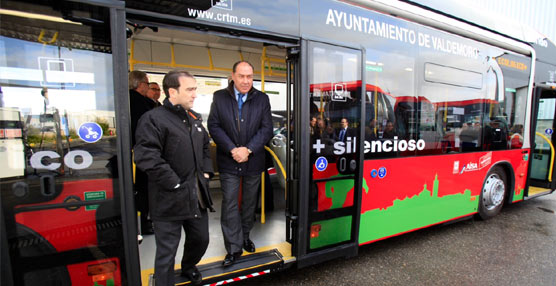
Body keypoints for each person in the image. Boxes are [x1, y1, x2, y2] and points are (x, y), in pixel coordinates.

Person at [134, 70, 214, 286]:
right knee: (166, 252)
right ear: (172, 91)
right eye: (190, 89)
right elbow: (146, 155)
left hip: (196, 196)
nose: (194, 94)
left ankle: (189, 266)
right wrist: (175, 182)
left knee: (201, 239)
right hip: (168, 198)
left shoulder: (194, 119)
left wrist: (206, 173)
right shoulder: (153, 119)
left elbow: (205, 147)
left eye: (195, 89)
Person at [208, 61, 273, 267]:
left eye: (250, 76)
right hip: (229, 160)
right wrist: (233, 149)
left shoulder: (262, 99)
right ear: (232, 76)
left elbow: (266, 129)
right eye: (242, 76)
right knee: (229, 205)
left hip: (253, 160)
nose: (246, 81)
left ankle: (245, 236)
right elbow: (214, 126)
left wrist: (248, 149)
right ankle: (233, 248)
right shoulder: (219, 97)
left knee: (249, 203)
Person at [129, 70, 156, 235]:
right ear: (140, 85)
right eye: (147, 83)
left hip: (135, 153)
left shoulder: (126, 100)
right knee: (144, 190)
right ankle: (145, 224)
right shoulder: (141, 103)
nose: (148, 86)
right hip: (143, 154)